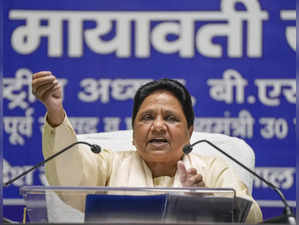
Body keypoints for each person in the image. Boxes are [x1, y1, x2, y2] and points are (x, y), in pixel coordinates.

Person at [32, 71, 263, 223]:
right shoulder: (110, 165)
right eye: (148, 117)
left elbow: (251, 216)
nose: (158, 126)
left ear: (189, 133)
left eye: (171, 118)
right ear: (134, 134)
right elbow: (71, 171)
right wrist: (56, 114)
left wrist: (210, 202)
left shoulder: (212, 169)